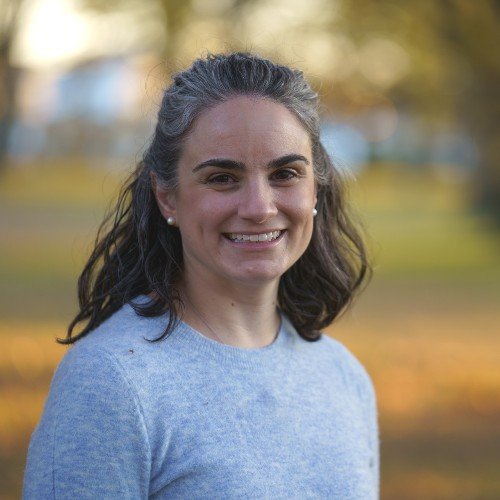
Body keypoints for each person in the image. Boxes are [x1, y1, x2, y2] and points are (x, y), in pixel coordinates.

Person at [23, 52, 378, 499]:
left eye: (285, 173)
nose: (258, 207)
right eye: (222, 178)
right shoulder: (110, 382)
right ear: (167, 197)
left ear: (315, 189)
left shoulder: (344, 378)